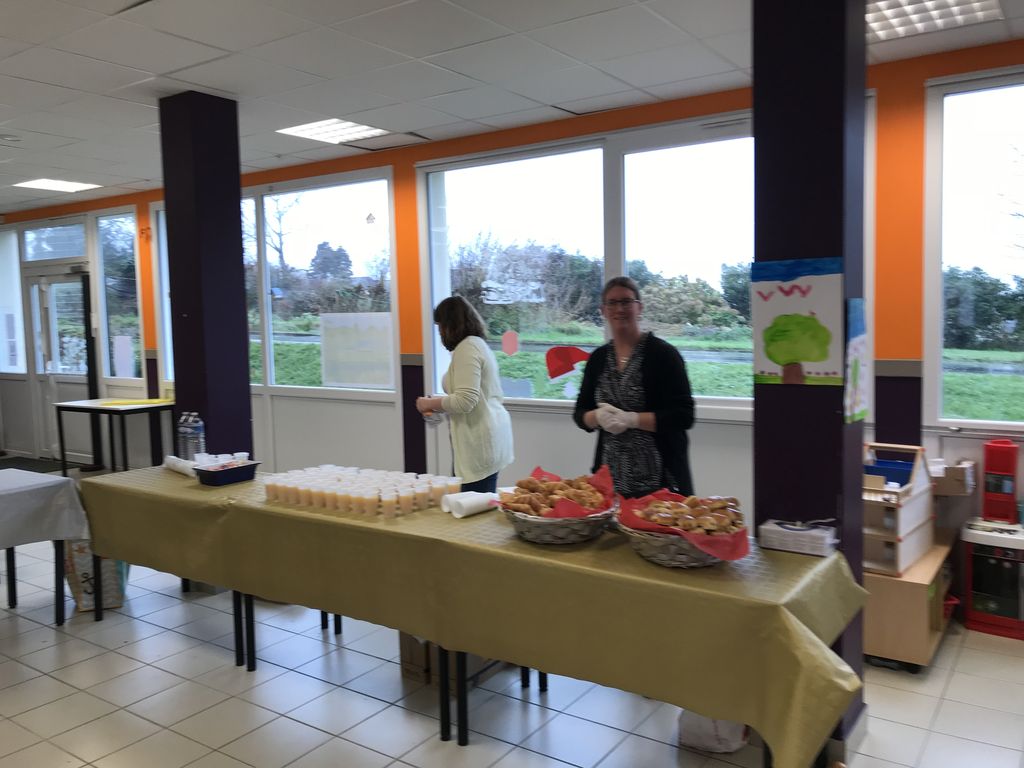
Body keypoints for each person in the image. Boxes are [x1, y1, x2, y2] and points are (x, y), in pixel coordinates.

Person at [573, 276, 695, 498]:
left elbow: (684, 416)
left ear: (639, 307)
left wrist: (633, 420)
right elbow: (580, 412)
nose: (620, 309)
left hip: (661, 483)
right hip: (609, 481)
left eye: (626, 301)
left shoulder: (664, 355)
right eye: (612, 303)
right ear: (603, 311)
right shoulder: (598, 358)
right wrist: (596, 417)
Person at [416, 296, 514, 493]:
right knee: (479, 503)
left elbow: (466, 400)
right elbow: (468, 396)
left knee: (473, 507)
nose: (440, 333)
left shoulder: (467, 349)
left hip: (478, 443)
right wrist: (439, 404)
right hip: (486, 439)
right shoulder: (475, 345)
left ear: (450, 325)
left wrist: (429, 404)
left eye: (440, 326)